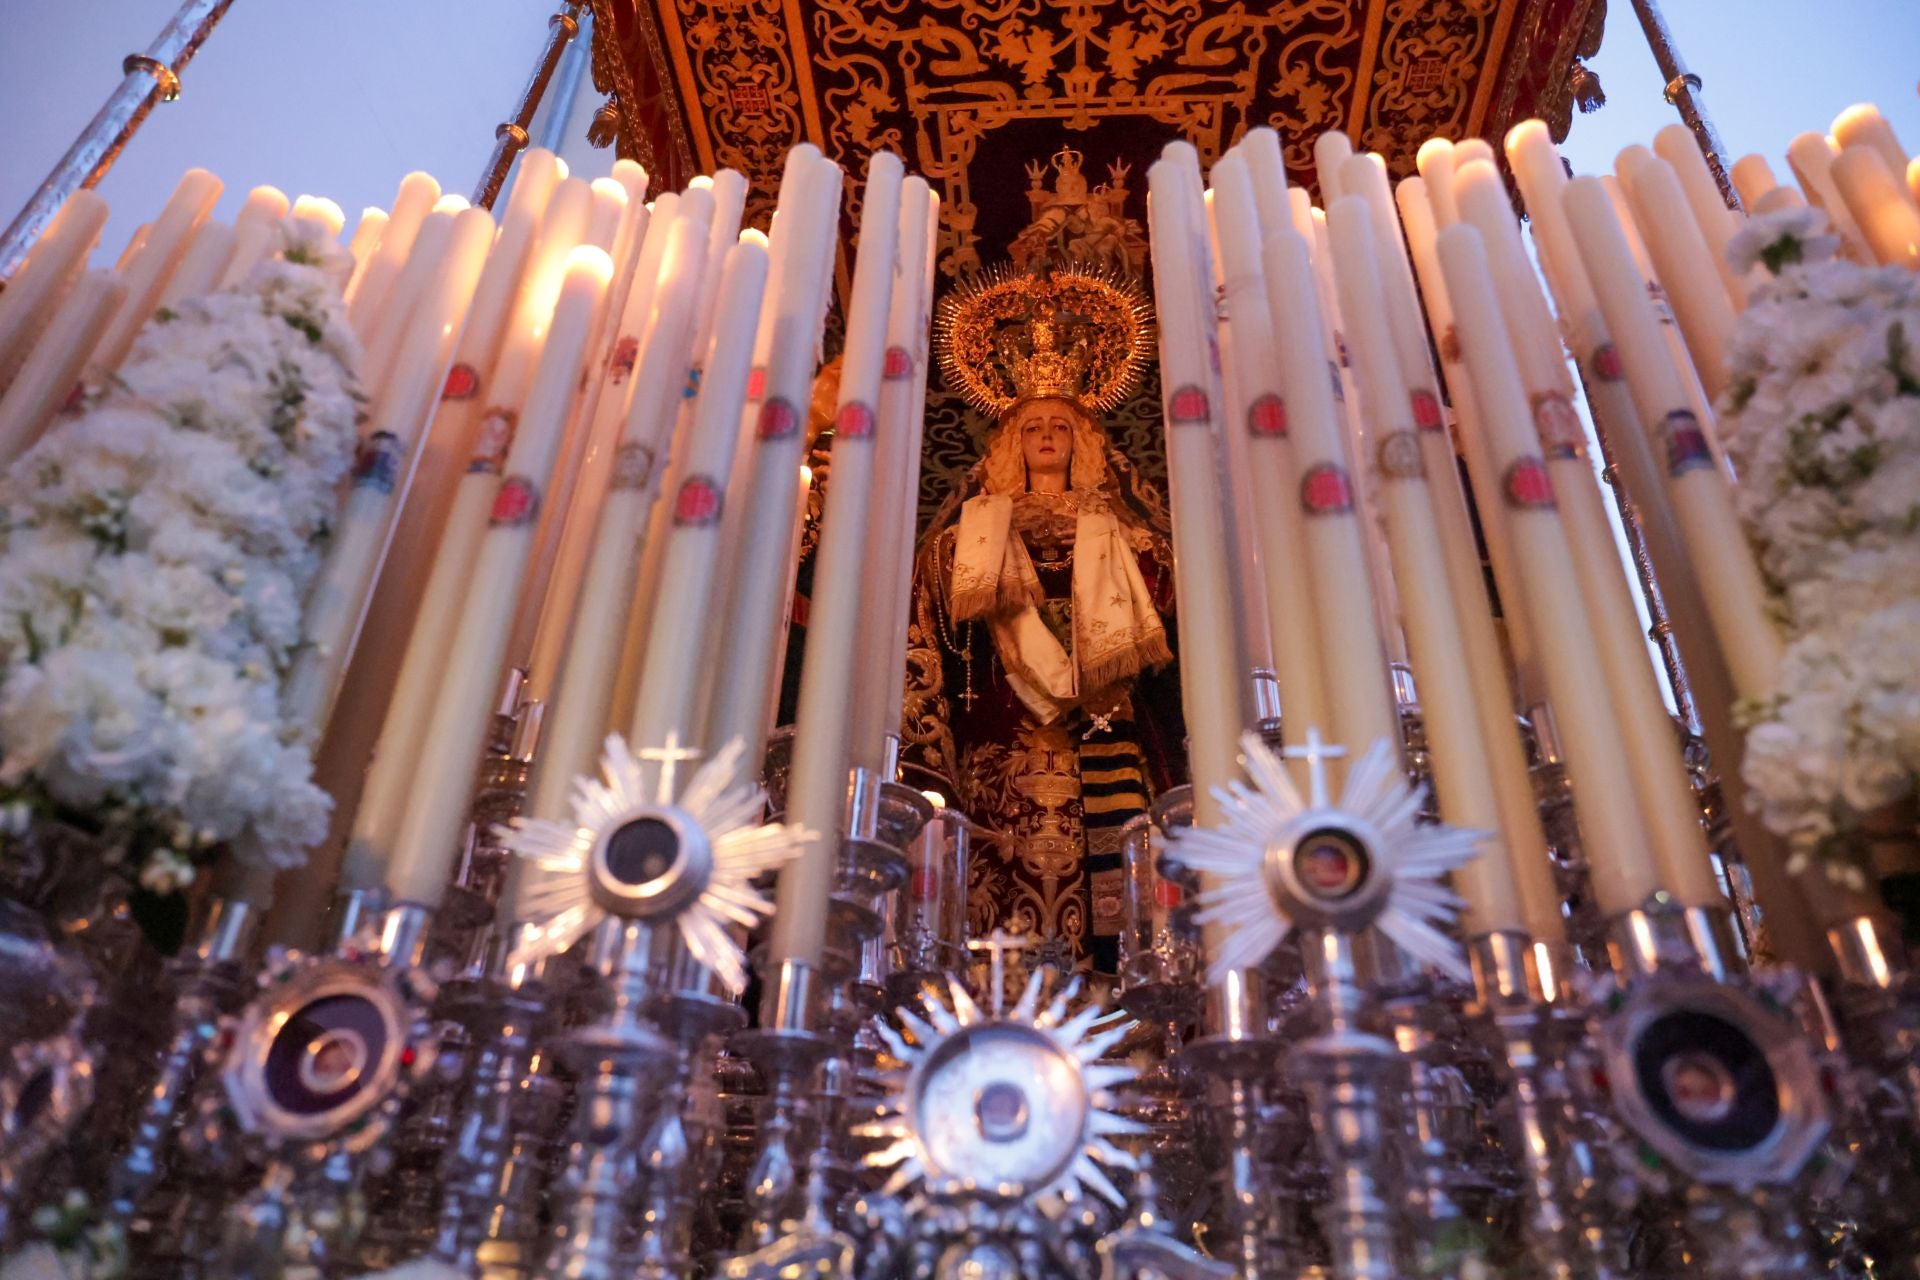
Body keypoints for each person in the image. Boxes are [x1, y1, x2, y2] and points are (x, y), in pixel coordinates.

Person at [905, 272, 1184, 971]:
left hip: (1105, 748)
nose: (1048, 436)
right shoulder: (961, 544)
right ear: (1009, 444)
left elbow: (1171, 624)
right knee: (1003, 930)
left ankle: (1126, 1026)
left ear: (1084, 441)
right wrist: (929, 771)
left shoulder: (1124, 537)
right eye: (1033, 427)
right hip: (1003, 764)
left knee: (1116, 909)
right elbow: (929, 645)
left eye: (1062, 426)